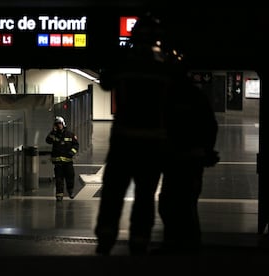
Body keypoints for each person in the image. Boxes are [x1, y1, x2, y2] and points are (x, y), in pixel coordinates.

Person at [94, 13, 172, 256]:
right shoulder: (163, 65)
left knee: (113, 192)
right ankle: (140, 240)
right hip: (153, 140)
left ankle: (106, 238)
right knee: (145, 194)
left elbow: (105, 82)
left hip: (123, 139)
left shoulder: (124, 62)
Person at [157, 71, 219, 255]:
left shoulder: (170, 97)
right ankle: (189, 244)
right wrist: (206, 151)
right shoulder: (197, 98)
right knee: (186, 203)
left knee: (172, 203)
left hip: (178, 159)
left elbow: (163, 126)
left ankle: (176, 244)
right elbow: (211, 126)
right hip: (191, 159)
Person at [45, 116, 79, 201]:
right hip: (58, 162)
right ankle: (59, 195)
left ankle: (70, 191)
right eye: (57, 124)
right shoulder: (54, 134)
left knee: (70, 177)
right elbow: (48, 140)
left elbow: (76, 145)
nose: (59, 125)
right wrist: (53, 131)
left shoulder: (70, 134)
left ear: (63, 124)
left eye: (60, 124)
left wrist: (72, 152)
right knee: (59, 180)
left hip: (68, 162)